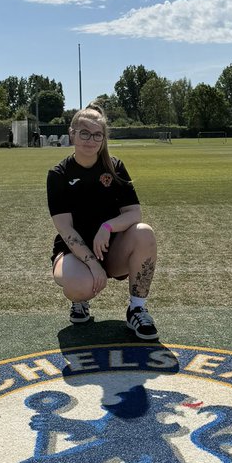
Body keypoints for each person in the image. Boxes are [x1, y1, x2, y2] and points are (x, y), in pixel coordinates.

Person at [47, 105, 158, 338]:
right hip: (73, 252)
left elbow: (134, 213)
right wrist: (92, 263)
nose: (90, 139)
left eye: (97, 134)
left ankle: (137, 309)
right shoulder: (58, 175)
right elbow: (65, 228)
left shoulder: (114, 167)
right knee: (79, 286)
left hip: (111, 249)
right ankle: (81, 301)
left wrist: (107, 227)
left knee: (144, 232)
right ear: (72, 134)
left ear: (103, 138)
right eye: (84, 133)